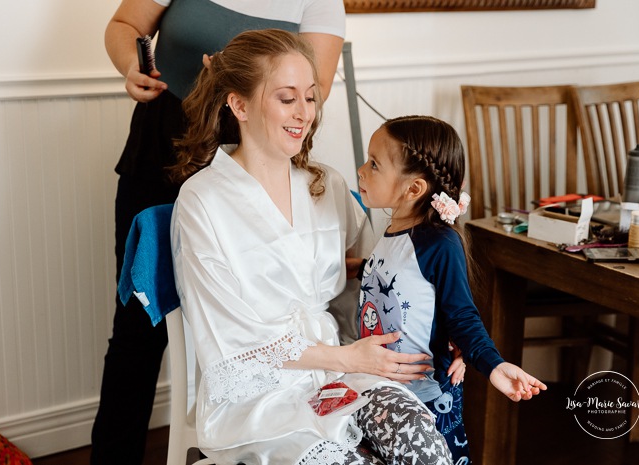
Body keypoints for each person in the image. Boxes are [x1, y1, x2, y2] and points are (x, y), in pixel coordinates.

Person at [170, 29, 457, 465]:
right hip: (260, 393)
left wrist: (447, 329)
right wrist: (346, 356)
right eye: (287, 98)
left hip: (344, 372)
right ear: (239, 104)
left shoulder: (325, 184)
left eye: (310, 97)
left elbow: (387, 276)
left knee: (424, 445)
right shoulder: (203, 201)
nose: (304, 113)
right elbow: (229, 341)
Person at [93, 1, 346, 464]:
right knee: (135, 329)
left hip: (251, 161)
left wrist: (244, 78)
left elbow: (315, 85)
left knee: (254, 310)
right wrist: (132, 66)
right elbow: (125, 24)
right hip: (162, 151)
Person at [354, 115, 548, 464]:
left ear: (413, 189)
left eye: (374, 164)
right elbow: (393, 283)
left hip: (425, 400)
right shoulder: (391, 231)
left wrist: (493, 365)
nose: (361, 170)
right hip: (383, 392)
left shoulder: (439, 243)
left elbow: (461, 316)